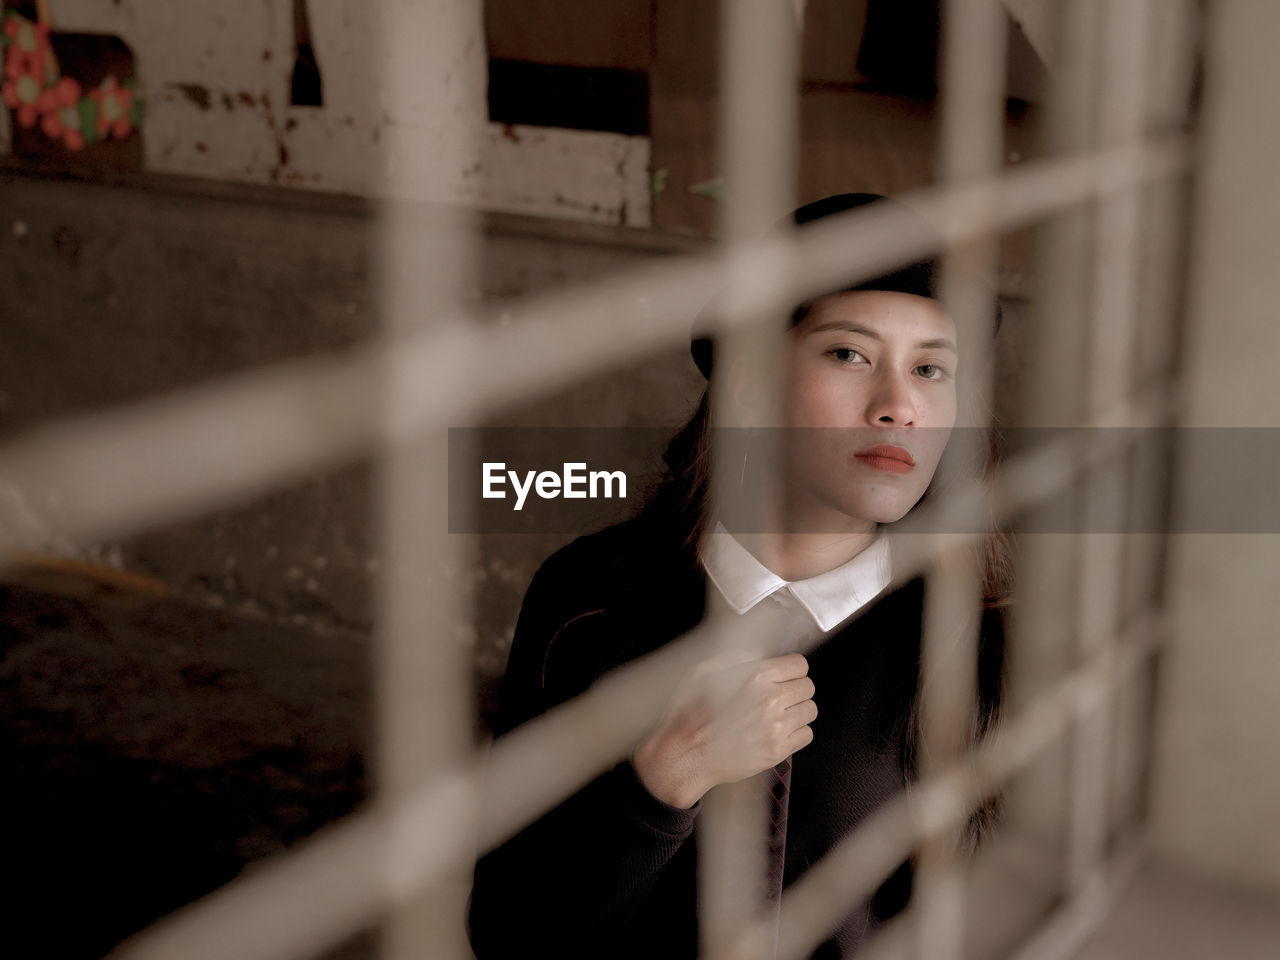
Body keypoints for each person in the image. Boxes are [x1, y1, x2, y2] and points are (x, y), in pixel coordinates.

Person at [467, 194, 1010, 960]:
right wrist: (655, 790)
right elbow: (507, 934)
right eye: (849, 354)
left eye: (931, 369)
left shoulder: (980, 636)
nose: (899, 407)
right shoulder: (584, 600)